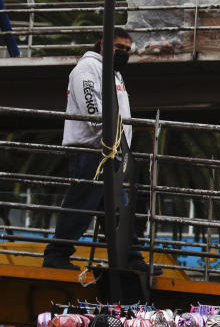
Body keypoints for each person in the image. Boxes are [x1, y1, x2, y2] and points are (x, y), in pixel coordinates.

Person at [42, 28, 154, 274]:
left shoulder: (114, 74)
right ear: (102, 45)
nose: (123, 52)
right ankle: (56, 254)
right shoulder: (87, 68)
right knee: (82, 204)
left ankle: (131, 257)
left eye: (127, 49)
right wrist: (107, 135)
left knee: (117, 211)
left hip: (110, 152)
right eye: (118, 47)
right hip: (91, 151)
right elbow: (91, 107)